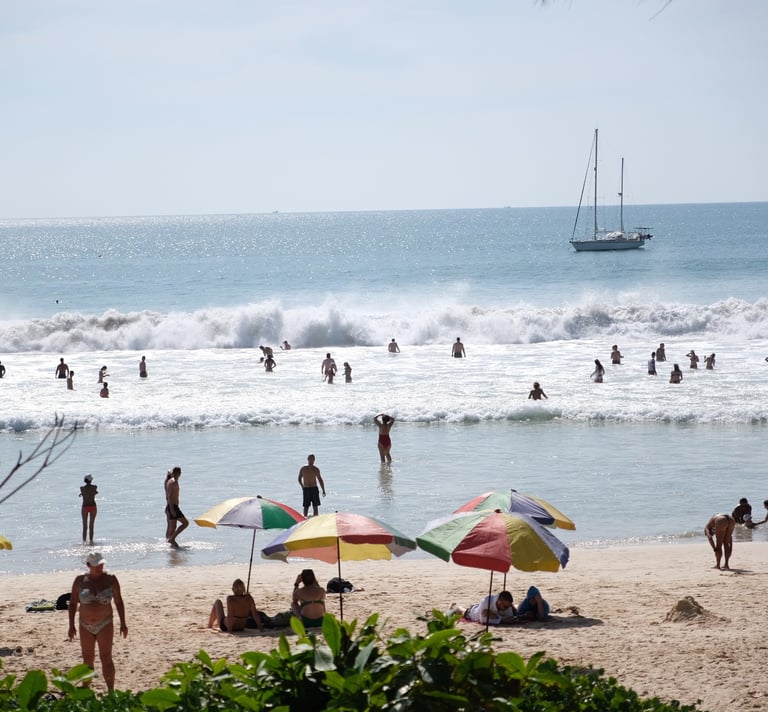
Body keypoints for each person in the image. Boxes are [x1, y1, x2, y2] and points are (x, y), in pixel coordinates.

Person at [67, 552, 127, 691]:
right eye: (96, 565)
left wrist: (123, 623)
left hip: (105, 623)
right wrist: (71, 625)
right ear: (89, 565)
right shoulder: (80, 580)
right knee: (87, 659)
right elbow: (73, 604)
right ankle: (85, 691)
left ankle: (111, 690)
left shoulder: (110, 579)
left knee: (106, 657)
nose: (100, 567)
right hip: (85, 625)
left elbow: (118, 601)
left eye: (101, 564)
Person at [165, 465, 189, 547]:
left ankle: (169, 543)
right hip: (173, 507)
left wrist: (169, 473)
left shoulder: (170, 480)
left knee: (172, 527)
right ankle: (172, 539)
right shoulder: (173, 482)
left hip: (171, 506)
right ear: (179, 473)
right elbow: (169, 496)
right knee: (185, 523)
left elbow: (169, 472)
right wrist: (172, 509)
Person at [80, 475, 98, 545]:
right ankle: (91, 541)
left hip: (85, 507)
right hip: (93, 506)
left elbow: (85, 493)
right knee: (91, 525)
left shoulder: (82, 488)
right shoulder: (94, 487)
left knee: (85, 526)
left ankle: (84, 542)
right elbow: (95, 492)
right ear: (91, 480)